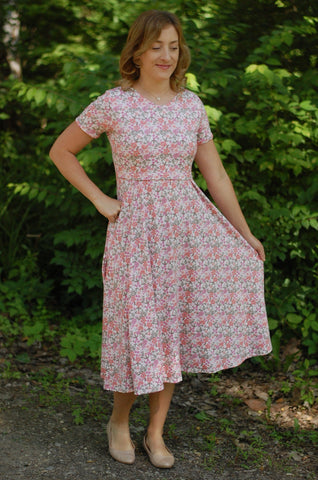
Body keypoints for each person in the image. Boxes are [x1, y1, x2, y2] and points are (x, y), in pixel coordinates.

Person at [49, 10, 272, 470]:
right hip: (134, 234)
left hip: (185, 231)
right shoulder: (114, 103)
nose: (167, 55)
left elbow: (216, 175)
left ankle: (156, 432)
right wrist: (100, 199)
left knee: (170, 330)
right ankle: (118, 419)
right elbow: (61, 151)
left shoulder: (190, 106)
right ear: (137, 51)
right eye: (157, 47)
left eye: (173, 46)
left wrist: (245, 233)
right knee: (136, 330)